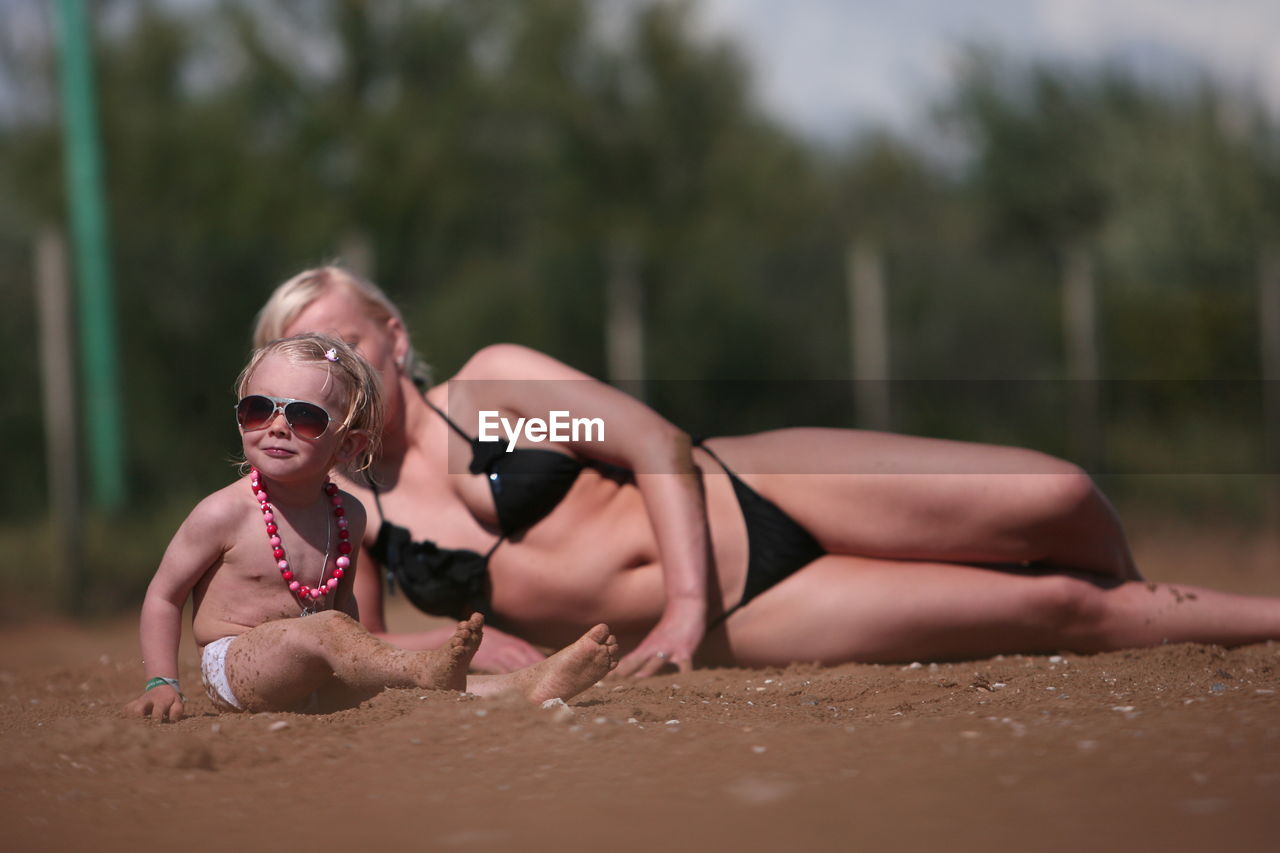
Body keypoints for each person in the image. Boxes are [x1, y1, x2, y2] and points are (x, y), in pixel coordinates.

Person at [256, 267, 1280, 679]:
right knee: (1061, 609)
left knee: (1053, 496)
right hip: (763, 614)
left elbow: (652, 447)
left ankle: (1158, 609)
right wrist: (487, 656)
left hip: (750, 499)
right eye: (312, 368)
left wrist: (681, 611)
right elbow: (376, 651)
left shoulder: (490, 402)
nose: (337, 377)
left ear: (392, 337)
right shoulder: (360, 520)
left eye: (345, 346)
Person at [125, 334, 619, 722]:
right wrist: (161, 681)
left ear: (349, 447)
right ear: (240, 422)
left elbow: (345, 611)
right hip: (237, 666)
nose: (277, 426)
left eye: (305, 418)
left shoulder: (349, 514)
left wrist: (358, 660)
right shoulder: (223, 513)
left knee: (360, 653)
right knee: (334, 636)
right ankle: (424, 671)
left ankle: (523, 686)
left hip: (318, 660)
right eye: (258, 409)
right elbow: (163, 597)